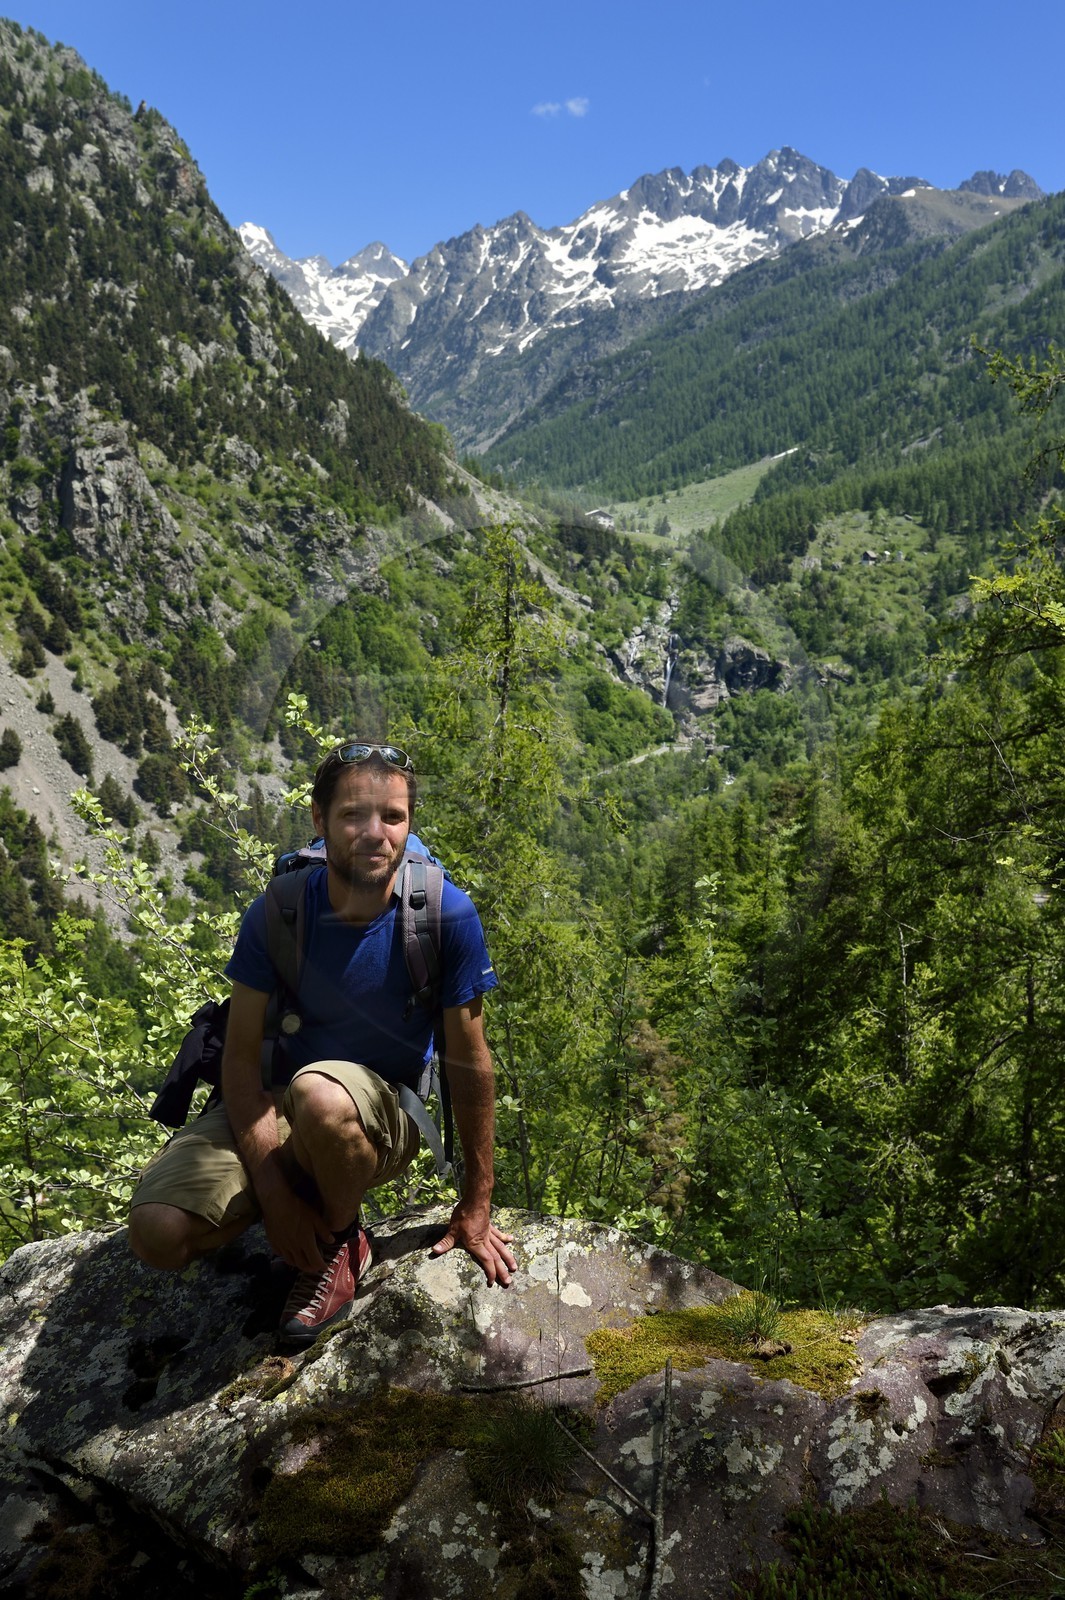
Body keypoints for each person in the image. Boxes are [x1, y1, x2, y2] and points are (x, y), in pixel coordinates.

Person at [128, 740, 516, 1343]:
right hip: (274, 1101)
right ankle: (305, 1201)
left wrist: (476, 1202)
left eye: (392, 817)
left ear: (409, 822)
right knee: (158, 1233)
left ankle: (339, 1239)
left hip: (376, 1113)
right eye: (353, 816)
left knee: (322, 1096)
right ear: (320, 819)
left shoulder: (445, 916)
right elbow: (238, 1057)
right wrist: (275, 1192)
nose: (374, 834)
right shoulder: (279, 912)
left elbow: (469, 1061)